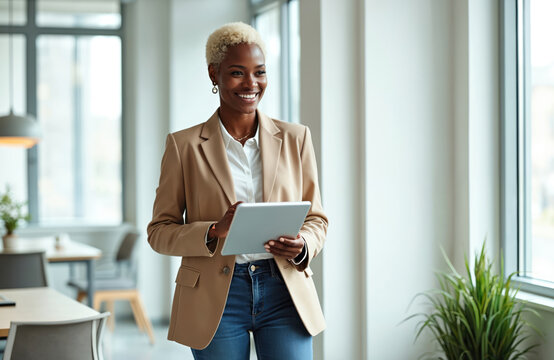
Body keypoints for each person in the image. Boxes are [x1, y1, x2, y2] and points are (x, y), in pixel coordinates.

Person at [147, 22, 327, 360]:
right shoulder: (183, 146)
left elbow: (317, 218)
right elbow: (159, 232)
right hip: (216, 296)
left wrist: (303, 244)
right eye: (236, 73)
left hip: (284, 289)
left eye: (259, 72)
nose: (251, 84)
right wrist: (214, 230)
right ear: (214, 74)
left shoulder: (296, 138)